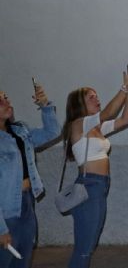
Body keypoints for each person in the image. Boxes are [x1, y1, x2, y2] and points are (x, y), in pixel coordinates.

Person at [63, 70, 128, 268]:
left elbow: (125, 120)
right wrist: (124, 88)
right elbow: (108, 113)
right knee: (84, 247)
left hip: (100, 186)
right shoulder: (78, 124)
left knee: (89, 244)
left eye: (97, 96)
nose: (97, 99)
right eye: (91, 97)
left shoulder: (96, 128)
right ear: (79, 104)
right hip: (89, 185)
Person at [0, 83, 60, 268]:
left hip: (27, 203)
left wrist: (45, 106)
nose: (7, 102)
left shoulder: (20, 131)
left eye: (6, 97)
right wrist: (1, 229)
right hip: (6, 211)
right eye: (0, 101)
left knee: (23, 260)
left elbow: (52, 132)